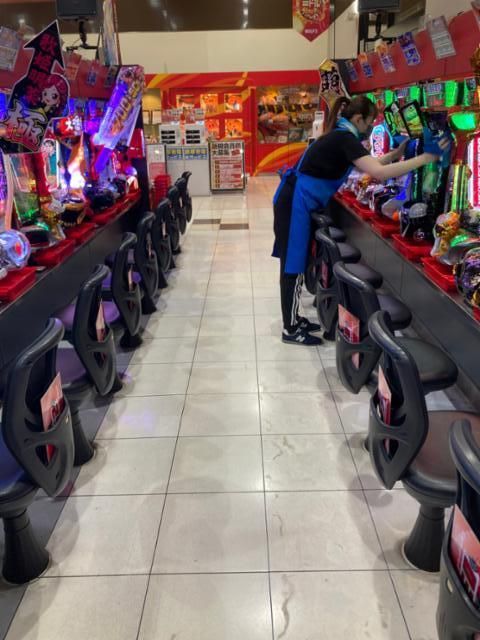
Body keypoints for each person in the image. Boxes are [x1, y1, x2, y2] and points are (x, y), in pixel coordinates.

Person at [272, 95, 450, 346]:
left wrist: (397, 153)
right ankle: (290, 328)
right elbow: (379, 172)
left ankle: (294, 320)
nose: (370, 127)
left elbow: (371, 164)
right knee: (293, 263)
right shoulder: (344, 138)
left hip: (297, 199)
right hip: (295, 202)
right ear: (358, 119)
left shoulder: (342, 134)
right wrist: (426, 158)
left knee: (297, 261)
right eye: (369, 122)